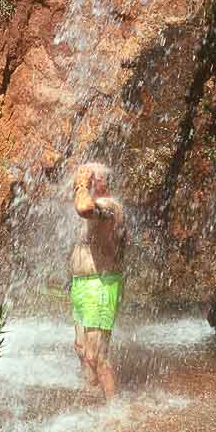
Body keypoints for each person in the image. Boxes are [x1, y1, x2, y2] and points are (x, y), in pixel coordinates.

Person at [69, 162, 127, 400]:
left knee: (97, 355)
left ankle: (115, 412)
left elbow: (83, 207)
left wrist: (81, 186)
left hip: (100, 286)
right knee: (82, 349)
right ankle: (93, 396)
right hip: (84, 285)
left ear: (101, 183)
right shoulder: (97, 207)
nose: (84, 180)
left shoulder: (110, 208)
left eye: (90, 177)